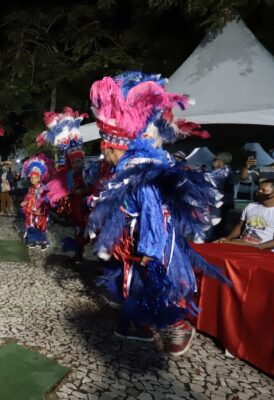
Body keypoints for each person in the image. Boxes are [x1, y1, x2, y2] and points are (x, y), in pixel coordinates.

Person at [86, 71, 228, 357]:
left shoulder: (141, 172)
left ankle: (178, 325)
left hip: (153, 244)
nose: (106, 157)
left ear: (113, 147)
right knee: (132, 285)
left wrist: (150, 250)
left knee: (156, 287)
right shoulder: (125, 169)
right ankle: (141, 326)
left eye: (107, 150)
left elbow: (152, 212)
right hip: (132, 243)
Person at [35, 107, 91, 262]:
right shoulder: (68, 175)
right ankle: (78, 255)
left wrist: (86, 191)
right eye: (74, 161)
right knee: (79, 231)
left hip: (90, 205)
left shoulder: (89, 171)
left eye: (79, 160)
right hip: (78, 207)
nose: (77, 163)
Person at [215, 179, 274, 252]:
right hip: (242, 244)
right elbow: (240, 226)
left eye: (264, 190)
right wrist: (227, 239)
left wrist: (256, 247)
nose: (259, 192)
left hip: (263, 251)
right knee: (214, 245)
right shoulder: (251, 206)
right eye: (259, 189)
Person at [21, 155, 54, 249]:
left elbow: (46, 200)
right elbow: (28, 197)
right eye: (31, 178)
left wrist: (40, 209)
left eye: (35, 178)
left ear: (39, 178)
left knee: (41, 225)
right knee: (31, 224)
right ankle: (34, 240)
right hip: (31, 210)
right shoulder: (30, 188)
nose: (33, 179)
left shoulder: (43, 188)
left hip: (40, 210)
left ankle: (44, 241)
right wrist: (25, 202)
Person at [206, 152, 235, 240]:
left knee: (217, 226)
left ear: (220, 161)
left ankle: (215, 243)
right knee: (215, 225)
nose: (213, 162)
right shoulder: (218, 171)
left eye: (215, 159)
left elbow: (223, 187)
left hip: (221, 202)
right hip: (218, 202)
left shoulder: (225, 172)